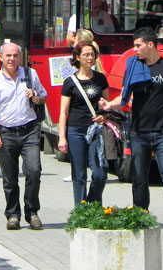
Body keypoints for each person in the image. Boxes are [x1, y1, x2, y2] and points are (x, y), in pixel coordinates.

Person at [99, 27, 163, 234]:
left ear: (150, 44)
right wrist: (109, 105)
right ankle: (141, 214)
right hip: (138, 131)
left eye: (138, 45)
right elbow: (124, 98)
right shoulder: (133, 67)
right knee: (139, 176)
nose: (135, 49)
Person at [0, 42, 48, 230]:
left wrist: (35, 96)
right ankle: (13, 214)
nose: (11, 59)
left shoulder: (30, 75)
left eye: (15, 55)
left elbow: (44, 97)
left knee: (33, 170)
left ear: (20, 57)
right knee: (10, 178)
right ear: (1, 57)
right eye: (8, 56)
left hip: (30, 130)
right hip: (5, 132)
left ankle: (32, 212)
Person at [58, 42, 110, 205]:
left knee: (100, 173)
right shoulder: (70, 82)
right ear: (78, 57)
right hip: (75, 131)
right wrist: (61, 137)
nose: (90, 57)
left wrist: (104, 115)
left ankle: (92, 205)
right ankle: (81, 212)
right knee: (79, 175)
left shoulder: (101, 78)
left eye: (92, 54)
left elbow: (107, 106)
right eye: (86, 54)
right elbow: (63, 112)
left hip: (95, 131)